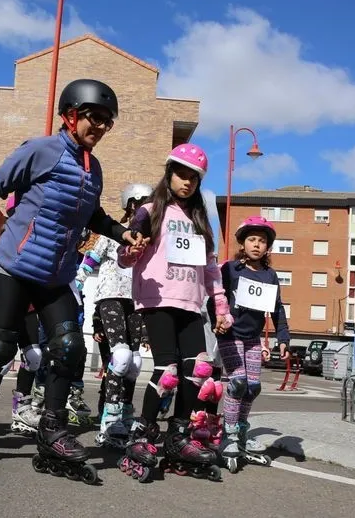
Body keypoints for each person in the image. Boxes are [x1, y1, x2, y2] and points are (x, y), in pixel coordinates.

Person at [0, 79, 144, 482]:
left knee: (69, 347)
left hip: (55, 276)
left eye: (107, 122)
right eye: (94, 118)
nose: (100, 127)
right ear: (70, 115)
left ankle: (52, 427)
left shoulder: (93, 167)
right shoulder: (42, 149)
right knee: (0, 346)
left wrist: (123, 233)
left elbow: (93, 216)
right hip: (12, 267)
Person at [116, 143, 231, 483]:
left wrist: (221, 305)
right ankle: (143, 434)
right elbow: (126, 256)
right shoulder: (150, 210)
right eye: (181, 175)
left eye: (193, 178)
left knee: (198, 370)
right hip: (158, 299)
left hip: (191, 303)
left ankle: (178, 435)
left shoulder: (200, 221)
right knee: (167, 371)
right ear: (169, 174)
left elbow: (211, 269)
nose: (187, 182)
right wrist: (131, 250)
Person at [77, 183, 152, 449]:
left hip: (136, 302)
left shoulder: (150, 241)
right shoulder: (114, 234)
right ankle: (109, 419)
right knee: (119, 357)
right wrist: (76, 284)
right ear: (132, 205)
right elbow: (90, 260)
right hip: (110, 298)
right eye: (143, 204)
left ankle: (126, 413)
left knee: (134, 362)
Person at [218, 216, 290, 472]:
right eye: (252, 239)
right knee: (237, 383)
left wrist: (283, 338)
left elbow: (278, 309)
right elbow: (215, 296)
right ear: (243, 243)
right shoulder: (230, 269)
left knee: (253, 387)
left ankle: (242, 431)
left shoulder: (271, 276)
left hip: (252, 338)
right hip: (230, 334)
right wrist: (219, 319)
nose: (257, 244)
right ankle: (229, 435)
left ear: (268, 246)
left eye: (262, 241)